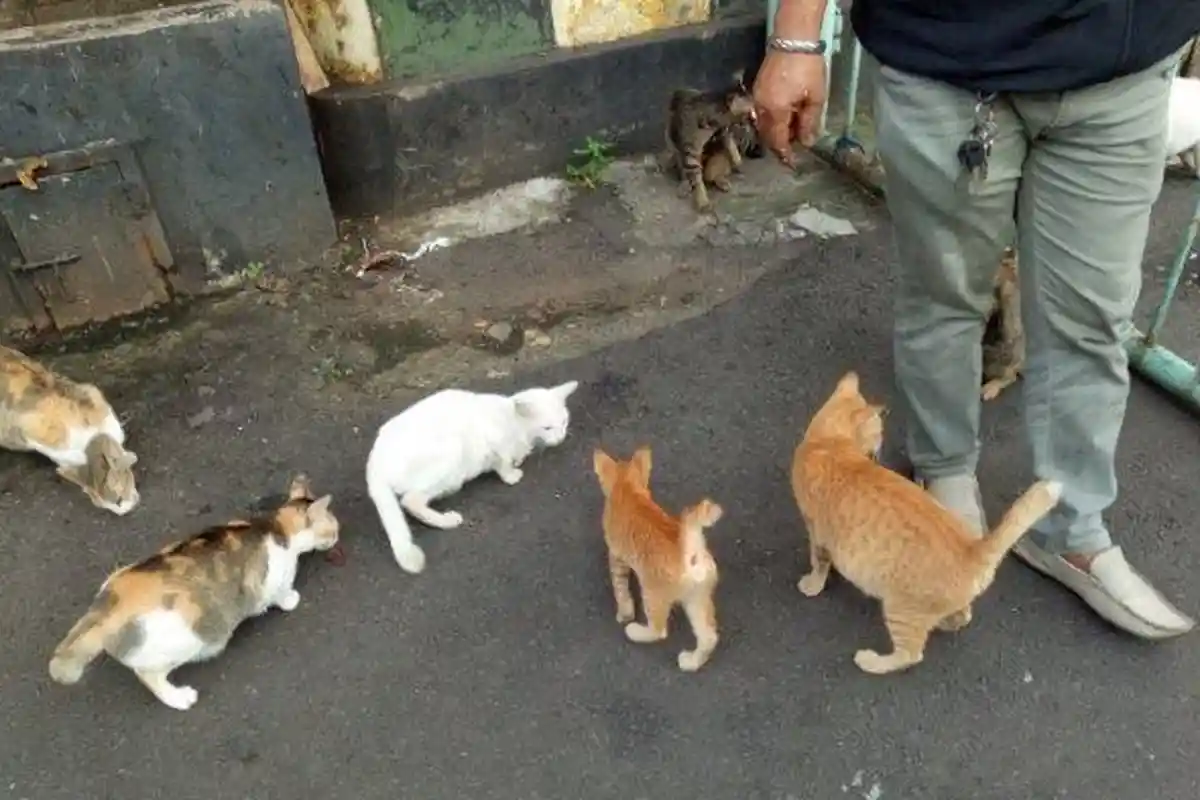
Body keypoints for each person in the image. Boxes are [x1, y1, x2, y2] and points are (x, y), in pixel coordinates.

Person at [753, 0, 1199, 639]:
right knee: (944, 299)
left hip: (1123, 59)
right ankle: (945, 469)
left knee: (1091, 321)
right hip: (949, 60)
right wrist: (796, 40)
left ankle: (1072, 530)